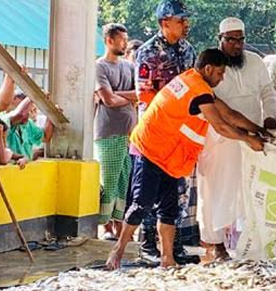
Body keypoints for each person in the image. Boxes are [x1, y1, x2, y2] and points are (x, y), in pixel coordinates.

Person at [105, 49, 266, 270]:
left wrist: (259, 130)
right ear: (208, 69)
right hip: (150, 150)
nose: (221, 78)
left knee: (169, 210)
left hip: (170, 157)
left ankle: (167, 259)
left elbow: (229, 114)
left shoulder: (195, 82)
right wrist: (248, 139)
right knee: (142, 204)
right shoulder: (197, 89)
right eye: (220, 73)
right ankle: (118, 251)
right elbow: (220, 125)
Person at [196, 17, 276, 261]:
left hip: (253, 136)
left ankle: (250, 243)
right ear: (220, 39)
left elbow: (267, 92)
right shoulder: (209, 68)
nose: (237, 45)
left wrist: (270, 119)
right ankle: (216, 243)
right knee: (217, 190)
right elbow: (224, 114)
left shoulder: (255, 61)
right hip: (220, 138)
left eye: (241, 39)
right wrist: (246, 133)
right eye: (231, 40)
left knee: (251, 189)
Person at [135, 0, 199, 264]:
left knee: (179, 190)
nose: (186, 25)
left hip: (182, 133)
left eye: (186, 20)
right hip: (157, 131)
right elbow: (144, 95)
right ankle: (149, 245)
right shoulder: (147, 53)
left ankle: (173, 247)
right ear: (165, 23)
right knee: (151, 190)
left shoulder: (188, 50)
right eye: (181, 20)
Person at [94, 23, 138, 241]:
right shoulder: (99, 67)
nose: (124, 44)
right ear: (109, 41)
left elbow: (139, 94)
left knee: (123, 182)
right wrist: (126, 97)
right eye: (121, 40)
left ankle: (120, 228)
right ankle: (105, 227)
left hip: (128, 134)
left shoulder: (128, 67)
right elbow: (108, 100)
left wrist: (117, 94)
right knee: (108, 182)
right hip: (107, 132)